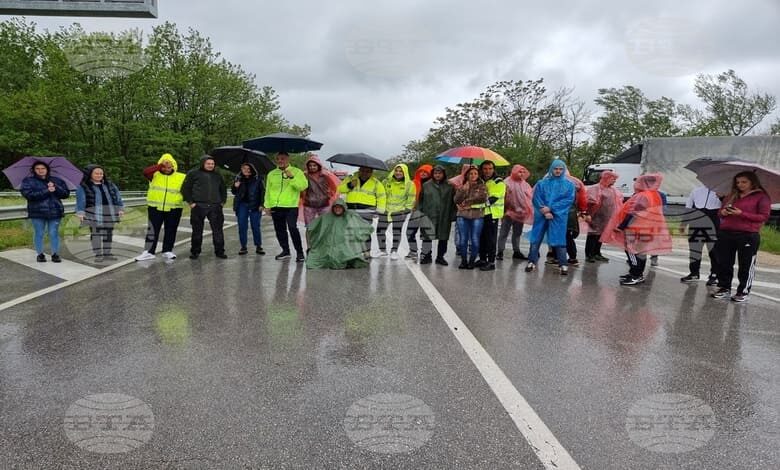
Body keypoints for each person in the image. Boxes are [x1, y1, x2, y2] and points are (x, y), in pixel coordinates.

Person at [601, 173, 672, 286]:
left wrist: (622, 226)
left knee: (631, 251)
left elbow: (633, 213)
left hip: (636, 228)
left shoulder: (643, 195)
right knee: (640, 252)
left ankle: (636, 274)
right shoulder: (655, 195)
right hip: (647, 227)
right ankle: (636, 273)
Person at [711, 171, 771, 302]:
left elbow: (763, 217)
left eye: (744, 182)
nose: (740, 185)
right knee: (724, 263)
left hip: (748, 235)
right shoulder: (732, 195)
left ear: (752, 182)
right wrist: (724, 212)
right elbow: (720, 213)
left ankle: (743, 291)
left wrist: (741, 213)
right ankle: (724, 288)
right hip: (726, 233)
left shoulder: (762, 197)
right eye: (738, 182)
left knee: (746, 264)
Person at [525, 159, 576, 275]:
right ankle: (531, 261)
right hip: (542, 215)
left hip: (558, 216)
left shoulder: (569, 185)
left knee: (559, 240)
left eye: (560, 169)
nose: (558, 171)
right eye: (556, 169)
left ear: (564, 170)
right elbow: (536, 198)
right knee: (535, 238)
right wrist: (544, 210)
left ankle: (563, 264)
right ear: (551, 169)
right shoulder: (542, 183)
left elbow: (568, 200)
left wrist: (551, 208)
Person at [135, 153, 186, 261]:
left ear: (173, 166)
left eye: (169, 166)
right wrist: (159, 166)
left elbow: (189, 189)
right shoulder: (154, 174)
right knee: (152, 229)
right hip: (155, 207)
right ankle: (149, 252)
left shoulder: (181, 177)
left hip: (174, 208)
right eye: (164, 166)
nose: (167, 168)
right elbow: (145, 172)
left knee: (171, 229)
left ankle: (167, 250)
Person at [19, 161, 70, 263]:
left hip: (55, 211)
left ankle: (55, 254)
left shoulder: (56, 180)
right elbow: (29, 195)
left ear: (47, 169)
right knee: (39, 233)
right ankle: (40, 254)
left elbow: (65, 194)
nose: (40, 170)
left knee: (53, 233)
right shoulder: (28, 181)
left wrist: (55, 187)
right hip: (37, 212)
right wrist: (47, 190)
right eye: (38, 168)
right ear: (34, 170)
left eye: (43, 168)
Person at [264, 152, 308, 262]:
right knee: (279, 230)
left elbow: (303, 186)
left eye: (282, 159)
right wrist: (267, 205)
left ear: (288, 159)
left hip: (291, 206)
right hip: (276, 206)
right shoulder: (271, 174)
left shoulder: (297, 172)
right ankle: (285, 251)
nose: (280, 161)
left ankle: (299, 252)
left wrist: (291, 177)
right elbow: (268, 191)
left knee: (292, 228)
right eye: (278, 159)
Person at [181, 155, 227, 260]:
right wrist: (191, 202)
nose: (211, 165)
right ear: (203, 163)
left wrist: (222, 202)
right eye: (208, 163)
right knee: (197, 230)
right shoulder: (193, 173)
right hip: (199, 206)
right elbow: (185, 188)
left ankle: (220, 251)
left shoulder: (217, 175)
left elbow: (223, 189)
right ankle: (195, 251)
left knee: (218, 230)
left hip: (215, 206)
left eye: (212, 164)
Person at [306, 199, 374, 269]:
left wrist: (365, 250)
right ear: (333, 208)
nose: (337, 209)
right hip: (327, 246)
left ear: (343, 208)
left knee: (351, 260)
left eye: (340, 207)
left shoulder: (350, 216)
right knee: (313, 263)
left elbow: (361, 231)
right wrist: (309, 247)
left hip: (345, 246)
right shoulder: (326, 217)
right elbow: (310, 228)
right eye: (336, 207)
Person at [76, 165, 124, 261]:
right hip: (93, 214)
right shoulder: (84, 186)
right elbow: (81, 200)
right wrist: (80, 212)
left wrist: (120, 208)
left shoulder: (109, 184)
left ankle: (107, 253)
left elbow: (117, 196)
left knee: (108, 233)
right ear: (90, 174)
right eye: (96, 173)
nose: (99, 175)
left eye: (101, 173)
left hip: (109, 212)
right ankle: (98, 254)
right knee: (96, 234)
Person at [338, 166, 387, 258]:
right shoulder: (350, 178)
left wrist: (379, 211)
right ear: (359, 170)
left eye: (368, 171)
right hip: (351, 210)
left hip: (368, 211)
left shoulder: (376, 183)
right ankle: (353, 252)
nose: (365, 173)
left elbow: (382, 197)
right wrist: (350, 185)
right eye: (363, 170)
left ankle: (367, 252)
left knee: (365, 231)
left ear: (371, 172)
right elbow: (340, 189)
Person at [679, 185, 721, 285]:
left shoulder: (722, 191)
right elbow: (689, 207)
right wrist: (684, 223)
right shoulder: (696, 190)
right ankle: (694, 273)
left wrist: (722, 197)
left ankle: (715, 275)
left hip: (713, 224)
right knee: (695, 250)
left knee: (714, 251)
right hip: (696, 223)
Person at [417, 165, 456, 265]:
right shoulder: (426, 185)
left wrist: (453, 215)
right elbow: (420, 200)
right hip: (429, 214)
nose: (437, 175)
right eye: (435, 173)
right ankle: (426, 256)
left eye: (440, 173)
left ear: (443, 174)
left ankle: (440, 257)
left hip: (444, 215)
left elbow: (454, 202)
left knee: (443, 238)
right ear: (432, 174)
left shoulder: (450, 186)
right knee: (427, 236)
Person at [584, 170, 623, 263]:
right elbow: (590, 202)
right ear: (606, 178)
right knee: (593, 235)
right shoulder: (595, 188)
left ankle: (597, 253)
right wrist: (588, 214)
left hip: (606, 217)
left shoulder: (612, 190)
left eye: (615, 179)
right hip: (596, 216)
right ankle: (589, 254)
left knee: (601, 235)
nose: (614, 181)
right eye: (612, 179)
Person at [453, 166, 487, 269]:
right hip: (462, 215)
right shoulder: (462, 186)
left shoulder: (482, 186)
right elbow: (456, 200)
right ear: (467, 175)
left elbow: (482, 198)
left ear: (478, 175)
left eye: (475, 174)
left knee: (475, 239)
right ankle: (463, 261)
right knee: (463, 239)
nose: (473, 176)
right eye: (471, 173)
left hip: (477, 216)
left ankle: (472, 261)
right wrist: (463, 190)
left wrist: (468, 201)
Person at [301, 155, 340, 245]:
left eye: (314, 165)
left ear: (318, 165)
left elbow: (334, 187)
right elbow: (301, 188)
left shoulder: (325, 175)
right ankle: (309, 247)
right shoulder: (304, 175)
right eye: (310, 165)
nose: (312, 167)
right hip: (309, 205)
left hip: (324, 204)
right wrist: (303, 197)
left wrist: (330, 195)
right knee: (309, 227)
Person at [497, 164, 533, 261]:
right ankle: (500, 251)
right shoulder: (506, 182)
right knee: (504, 232)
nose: (521, 174)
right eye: (519, 171)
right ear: (514, 171)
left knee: (517, 233)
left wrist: (528, 210)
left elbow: (530, 197)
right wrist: (503, 210)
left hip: (520, 213)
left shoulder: (525, 184)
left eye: (523, 172)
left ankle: (516, 251)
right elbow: (502, 197)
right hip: (508, 212)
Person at [475, 161, 506, 271]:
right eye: (485, 168)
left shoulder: (498, 182)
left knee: (491, 239)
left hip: (492, 213)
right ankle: (483, 259)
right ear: (481, 169)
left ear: (493, 169)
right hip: (482, 213)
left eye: (490, 168)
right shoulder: (480, 180)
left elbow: (492, 199)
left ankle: (491, 262)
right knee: (482, 237)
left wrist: (474, 204)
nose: (487, 171)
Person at [381, 163, 415, 259]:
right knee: (380, 230)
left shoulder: (409, 184)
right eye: (396, 170)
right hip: (386, 210)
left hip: (400, 211)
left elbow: (411, 197)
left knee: (396, 232)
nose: (398, 173)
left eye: (401, 171)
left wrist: (406, 210)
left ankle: (394, 251)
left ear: (405, 173)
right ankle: (382, 250)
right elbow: (380, 194)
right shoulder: (386, 182)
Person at [232, 163, 265, 256]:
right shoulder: (238, 178)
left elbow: (263, 192)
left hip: (255, 205)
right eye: (244, 168)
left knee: (255, 226)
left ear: (252, 169)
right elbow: (233, 192)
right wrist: (235, 186)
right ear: (241, 169)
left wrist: (262, 204)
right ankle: (243, 247)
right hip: (242, 205)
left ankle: (258, 246)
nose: (246, 170)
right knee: (242, 226)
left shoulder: (258, 179)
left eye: (248, 168)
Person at [405, 164, 433, 260]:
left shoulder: (433, 185)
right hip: (415, 212)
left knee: (426, 235)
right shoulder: (413, 183)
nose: (423, 173)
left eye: (426, 172)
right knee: (409, 232)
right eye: (421, 171)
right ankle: (413, 251)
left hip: (427, 213)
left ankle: (426, 254)